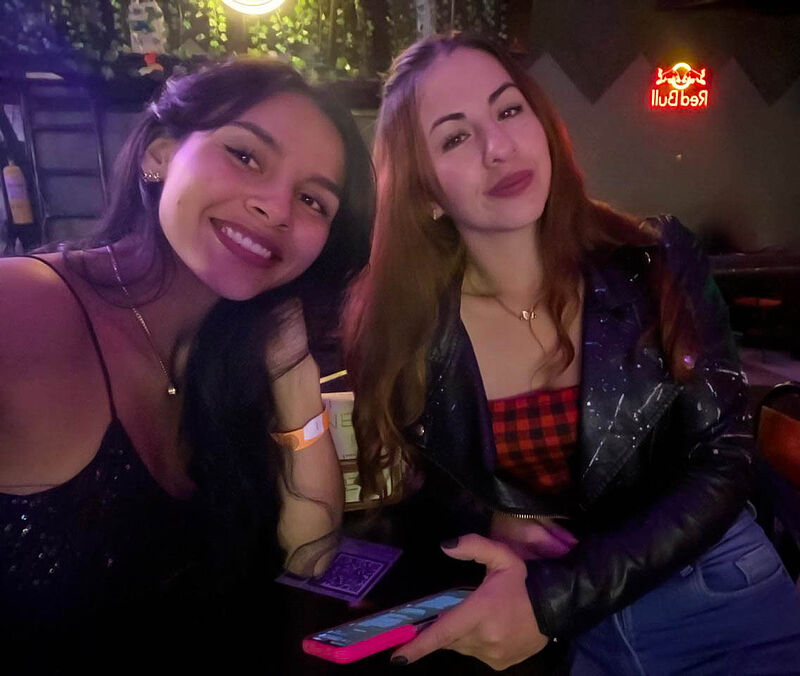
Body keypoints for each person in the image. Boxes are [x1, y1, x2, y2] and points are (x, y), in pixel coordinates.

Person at [343, 33, 800, 673]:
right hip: (543, 618)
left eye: (509, 110)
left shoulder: (655, 260)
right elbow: (417, 480)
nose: (499, 147)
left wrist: (556, 602)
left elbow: (724, 459)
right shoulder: (408, 326)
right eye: (455, 137)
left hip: (712, 591)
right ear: (425, 195)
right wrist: (492, 518)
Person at [0, 58, 373, 667]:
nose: (278, 208)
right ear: (160, 154)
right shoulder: (21, 308)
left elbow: (311, 556)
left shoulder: (237, 352)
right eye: (246, 155)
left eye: (313, 200)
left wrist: (293, 371)